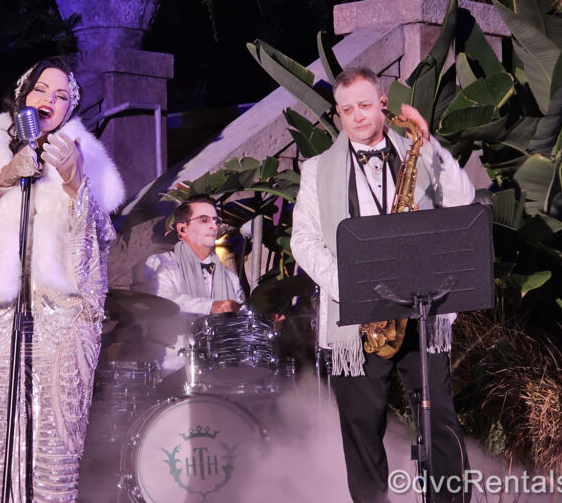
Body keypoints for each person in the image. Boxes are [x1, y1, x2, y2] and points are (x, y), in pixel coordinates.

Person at [289, 66, 475, 503]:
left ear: (384, 104)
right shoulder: (317, 170)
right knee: (361, 429)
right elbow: (303, 239)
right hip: (358, 317)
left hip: (421, 307)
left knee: (439, 421)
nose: (356, 116)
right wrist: (350, 283)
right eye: (347, 109)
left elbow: (463, 199)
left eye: (365, 105)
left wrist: (431, 148)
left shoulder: (418, 151)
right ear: (338, 113)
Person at [0, 57, 124, 503]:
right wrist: (4, 179)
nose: (50, 100)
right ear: (24, 95)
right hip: (3, 320)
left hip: (62, 324)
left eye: (62, 95)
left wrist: (74, 184)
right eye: (42, 90)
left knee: (54, 445)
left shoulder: (84, 155)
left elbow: (101, 240)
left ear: (70, 108)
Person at [134, 195, 244, 377]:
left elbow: (239, 321)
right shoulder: (161, 263)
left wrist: (264, 325)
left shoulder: (230, 278)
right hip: (172, 369)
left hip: (219, 369)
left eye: (215, 220)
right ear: (182, 229)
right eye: (203, 220)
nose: (213, 226)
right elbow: (166, 302)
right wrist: (212, 306)